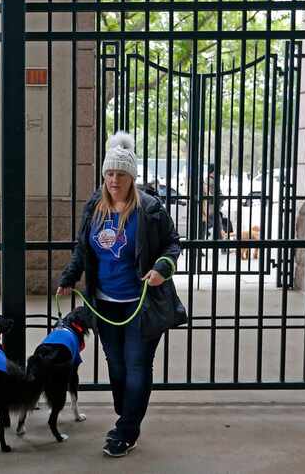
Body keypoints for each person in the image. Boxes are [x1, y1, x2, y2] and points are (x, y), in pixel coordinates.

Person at [57, 132, 182, 458]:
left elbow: (172, 243)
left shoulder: (150, 208)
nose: (114, 180)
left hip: (142, 303)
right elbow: (82, 250)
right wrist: (70, 276)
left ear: (132, 177)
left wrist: (162, 267)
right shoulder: (93, 207)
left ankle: (125, 430)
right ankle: (127, 411)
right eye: (109, 173)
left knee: (137, 366)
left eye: (121, 174)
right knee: (117, 367)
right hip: (105, 305)